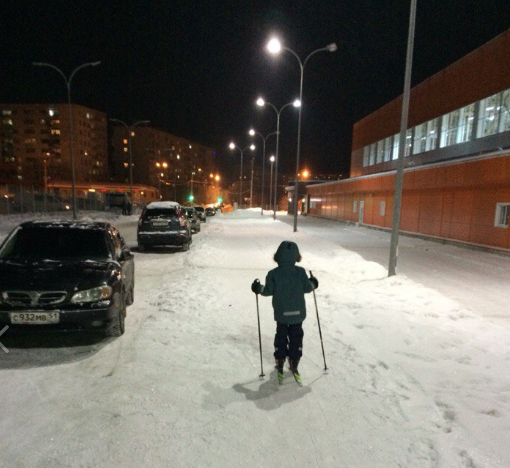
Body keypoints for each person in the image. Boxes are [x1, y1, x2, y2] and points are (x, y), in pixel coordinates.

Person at [251, 240, 318, 381]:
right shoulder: (300, 272)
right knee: (296, 336)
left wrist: (258, 288)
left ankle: (280, 359)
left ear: (278, 256)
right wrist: (313, 282)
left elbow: (267, 291)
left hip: (281, 314)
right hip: (298, 314)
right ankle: (294, 360)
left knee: (281, 335)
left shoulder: (273, 274)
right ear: (296, 256)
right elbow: (307, 288)